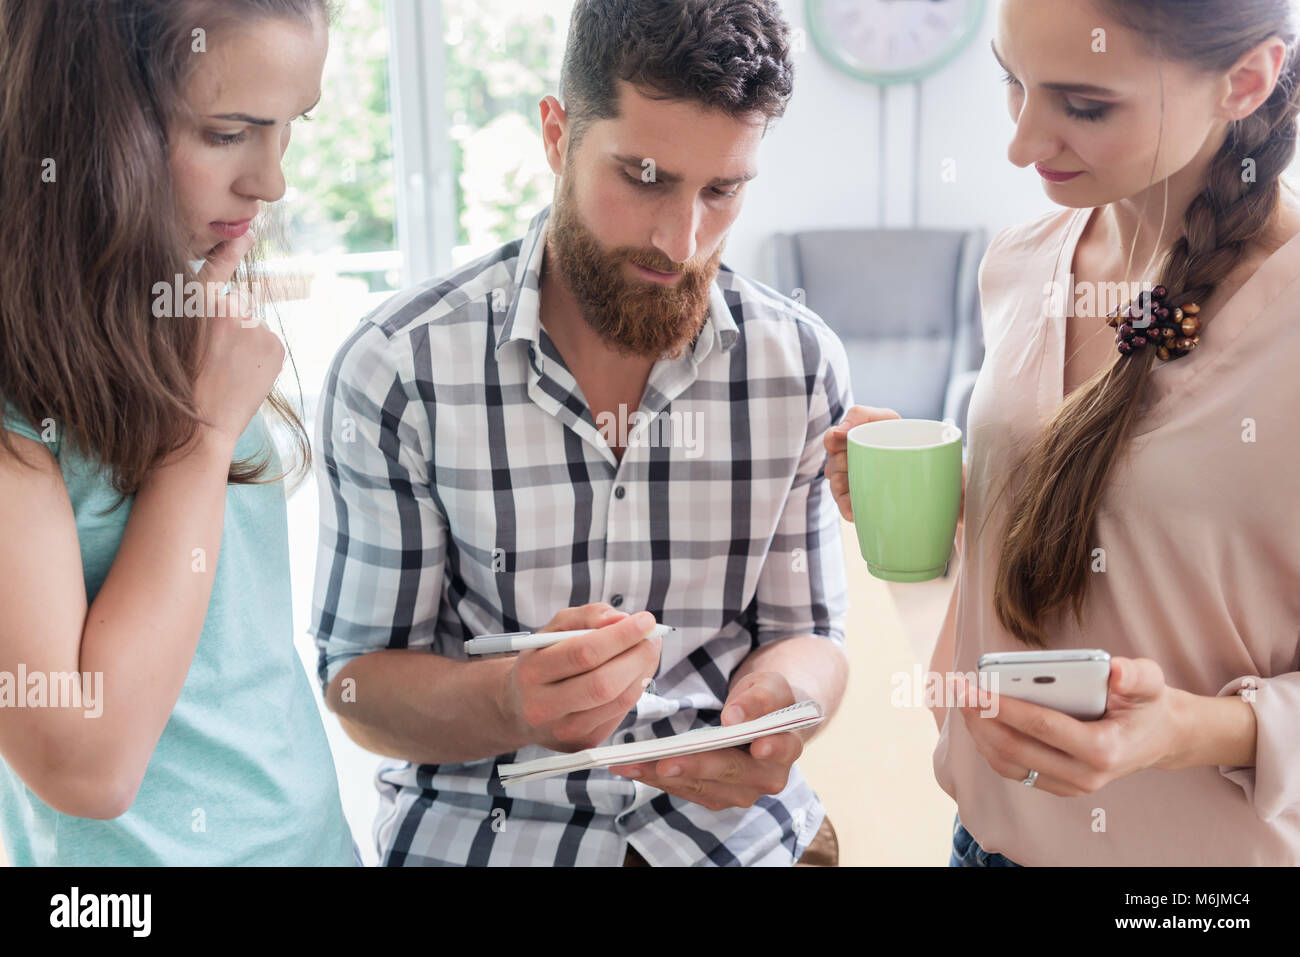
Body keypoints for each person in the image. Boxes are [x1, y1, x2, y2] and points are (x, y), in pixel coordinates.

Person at [311, 0, 851, 866]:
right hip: (489, 837)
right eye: (643, 177)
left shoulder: (799, 362)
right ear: (558, 136)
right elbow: (355, 682)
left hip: (733, 840)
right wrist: (511, 701)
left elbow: (813, 634)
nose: (682, 241)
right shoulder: (399, 369)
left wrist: (779, 708)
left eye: (722, 190)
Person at [826, 0, 1300, 866]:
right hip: (984, 843)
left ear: (1246, 81)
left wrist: (1185, 730)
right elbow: (1137, 543)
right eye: (1013, 82)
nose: (1020, 143)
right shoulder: (1020, 261)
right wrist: (954, 501)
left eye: (1084, 106)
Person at [0, 0, 355, 865]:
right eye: (229, 132)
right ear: (91, 119)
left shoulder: (190, 314)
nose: (270, 183)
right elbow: (85, 766)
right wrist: (200, 437)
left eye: (288, 129)